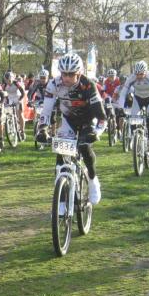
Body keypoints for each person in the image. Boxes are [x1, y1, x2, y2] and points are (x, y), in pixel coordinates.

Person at [35, 52, 106, 205]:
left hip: (88, 120)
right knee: (61, 155)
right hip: (68, 120)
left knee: (84, 147)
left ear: (79, 73)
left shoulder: (88, 85)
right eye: (64, 74)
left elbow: (101, 116)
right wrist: (42, 129)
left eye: (71, 74)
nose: (66, 78)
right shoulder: (54, 84)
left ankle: (93, 180)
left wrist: (96, 132)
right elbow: (46, 111)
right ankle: (61, 200)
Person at [117, 60, 149, 159]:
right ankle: (135, 139)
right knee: (133, 120)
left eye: (141, 74)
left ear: (146, 72)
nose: (139, 76)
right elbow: (123, 93)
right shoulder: (131, 78)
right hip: (137, 99)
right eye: (137, 74)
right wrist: (120, 108)